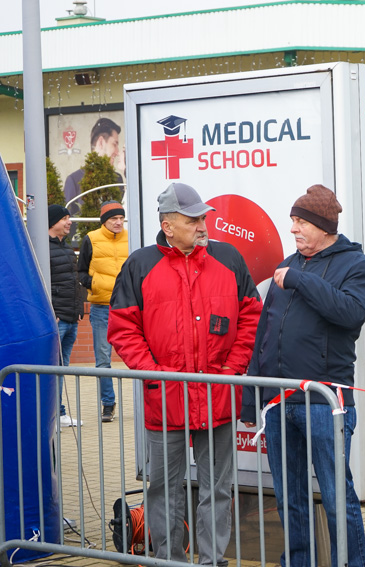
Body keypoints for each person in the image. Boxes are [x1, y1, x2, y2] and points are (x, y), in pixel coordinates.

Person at [108, 182, 262, 566]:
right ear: (167, 225)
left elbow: (250, 318)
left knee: (218, 489)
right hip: (166, 401)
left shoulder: (228, 259)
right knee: (163, 490)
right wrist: (154, 373)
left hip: (218, 397)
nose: (202, 224)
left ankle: (213, 561)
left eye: (203, 217)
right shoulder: (140, 265)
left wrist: (231, 368)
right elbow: (123, 329)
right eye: (192, 219)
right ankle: (169, 560)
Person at [241, 184, 365, 567]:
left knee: (336, 495)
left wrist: (301, 280)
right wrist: (254, 394)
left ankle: (350, 562)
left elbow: (350, 314)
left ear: (323, 226)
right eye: (292, 222)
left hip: (324, 403)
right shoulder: (290, 262)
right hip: (279, 400)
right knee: (289, 495)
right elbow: (264, 333)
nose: (294, 229)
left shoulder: (355, 265)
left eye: (301, 222)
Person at [77, 200, 128, 422]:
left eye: (120, 219)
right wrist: (94, 284)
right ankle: (108, 404)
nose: (118, 223)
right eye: (113, 219)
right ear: (104, 221)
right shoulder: (91, 239)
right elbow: (80, 272)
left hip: (129, 308)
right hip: (101, 308)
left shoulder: (132, 237)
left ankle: (149, 404)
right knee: (103, 359)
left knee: (144, 356)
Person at [48, 204, 86, 427]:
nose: (69, 222)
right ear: (53, 222)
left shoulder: (66, 248)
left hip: (71, 317)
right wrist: (52, 312)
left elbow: (73, 280)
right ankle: (53, 413)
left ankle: (59, 413)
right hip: (58, 318)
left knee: (61, 369)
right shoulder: (42, 247)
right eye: (64, 218)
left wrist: (78, 309)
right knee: (53, 369)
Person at [63, 117, 125, 220]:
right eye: (115, 144)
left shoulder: (117, 179)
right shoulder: (74, 180)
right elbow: (68, 221)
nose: (117, 152)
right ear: (101, 142)